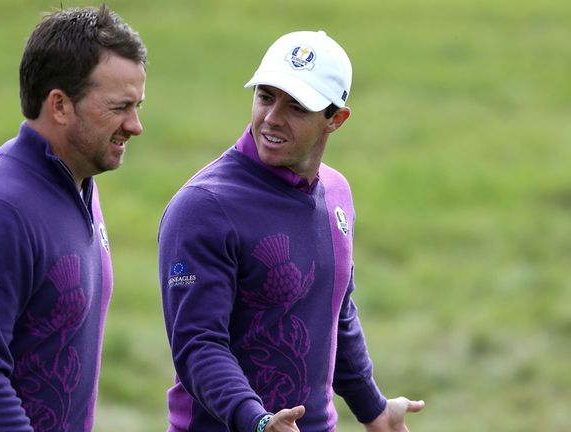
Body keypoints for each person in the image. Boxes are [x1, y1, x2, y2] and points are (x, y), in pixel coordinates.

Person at [158, 31, 424, 432]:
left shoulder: (336, 193)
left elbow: (334, 312)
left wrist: (375, 410)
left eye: (296, 107)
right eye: (266, 96)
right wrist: (259, 421)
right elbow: (198, 346)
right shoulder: (203, 208)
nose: (271, 118)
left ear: (335, 119)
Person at [0, 6, 146, 431]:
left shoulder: (76, 182)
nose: (135, 125)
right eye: (120, 106)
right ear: (59, 105)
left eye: (137, 105)